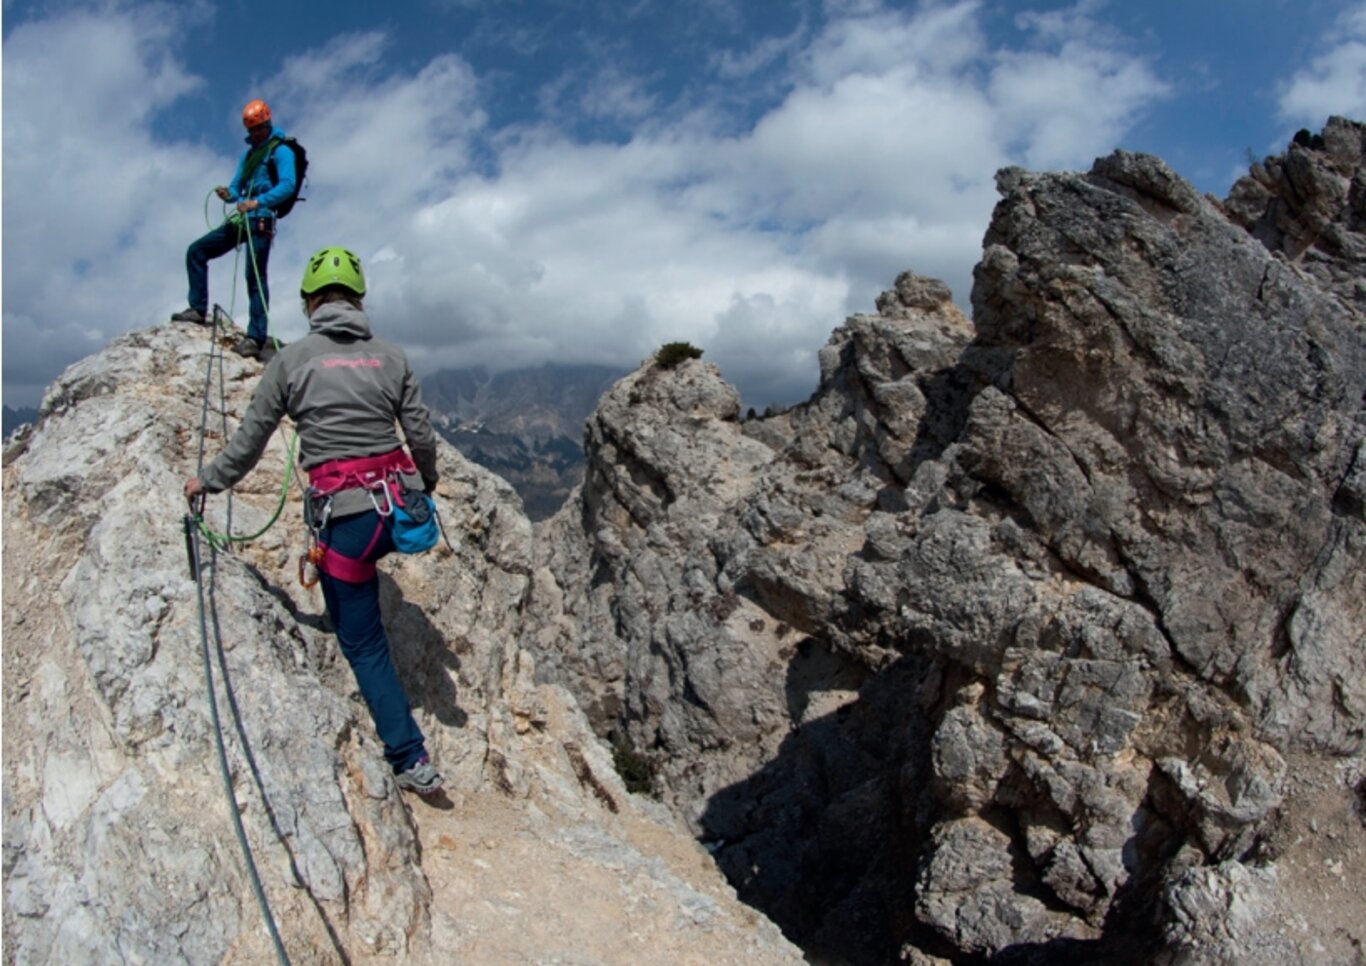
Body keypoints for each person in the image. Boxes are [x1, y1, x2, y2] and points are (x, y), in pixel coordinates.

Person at [184, 246, 443, 795]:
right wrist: (427, 482)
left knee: (365, 643)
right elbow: (419, 436)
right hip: (396, 511)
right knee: (364, 582)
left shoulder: (293, 360)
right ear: (359, 300)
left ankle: (409, 755)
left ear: (309, 303)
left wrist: (206, 480)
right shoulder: (392, 357)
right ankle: (408, 751)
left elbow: (250, 441)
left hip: (346, 523)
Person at [172, 98, 296, 364]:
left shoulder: (281, 151)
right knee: (197, 250)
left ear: (267, 124)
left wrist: (257, 202)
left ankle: (256, 337)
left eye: (259, 128)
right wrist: (228, 195)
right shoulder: (249, 154)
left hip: (261, 219)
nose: (255, 134)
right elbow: (237, 187)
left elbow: (288, 184)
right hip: (242, 219)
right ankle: (197, 308)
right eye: (252, 131)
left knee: (255, 278)